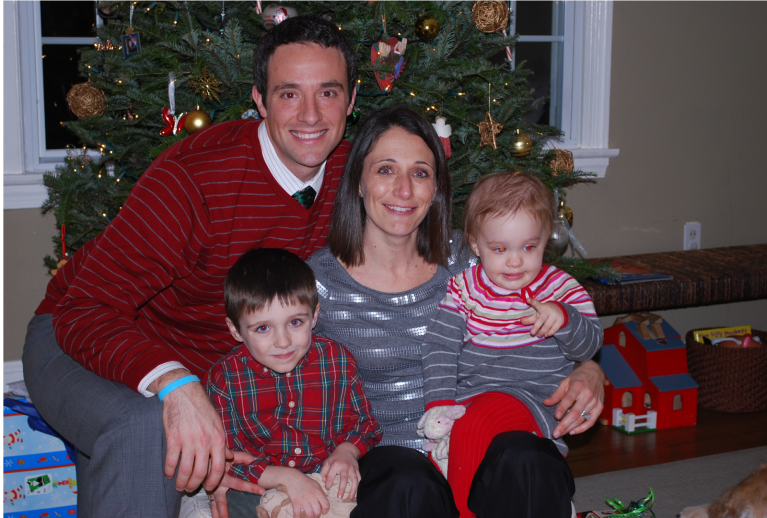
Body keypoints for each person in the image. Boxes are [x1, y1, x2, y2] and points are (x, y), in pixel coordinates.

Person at [21, 15, 357, 518]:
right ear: (260, 101)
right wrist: (178, 385)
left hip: (217, 368)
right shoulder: (193, 179)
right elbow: (86, 309)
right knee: (143, 427)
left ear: (351, 102)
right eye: (289, 94)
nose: (310, 114)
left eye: (328, 93)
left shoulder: (357, 175)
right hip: (78, 332)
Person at [307, 105, 606, 518]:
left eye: (421, 172)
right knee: (411, 482)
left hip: (480, 435)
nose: (405, 189)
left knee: (526, 457)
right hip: (385, 453)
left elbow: (555, 319)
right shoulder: (318, 283)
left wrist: (589, 368)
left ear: (436, 189)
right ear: (358, 181)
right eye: (386, 170)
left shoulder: (475, 259)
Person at [419, 172, 603, 517]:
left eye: (529, 247)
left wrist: (564, 319)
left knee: (477, 424)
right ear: (475, 244)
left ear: (545, 239)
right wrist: (441, 404)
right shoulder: (464, 289)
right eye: (500, 249)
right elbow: (440, 346)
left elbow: (589, 346)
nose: (515, 261)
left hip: (535, 400)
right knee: (459, 444)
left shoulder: (560, 288)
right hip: (470, 399)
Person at [206, 248, 381, 518]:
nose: (283, 341)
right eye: (263, 328)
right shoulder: (225, 378)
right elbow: (228, 456)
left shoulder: (336, 360)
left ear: (315, 315)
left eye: (295, 322)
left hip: (327, 477)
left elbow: (364, 423)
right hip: (258, 485)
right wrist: (287, 478)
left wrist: (347, 452)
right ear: (235, 329)